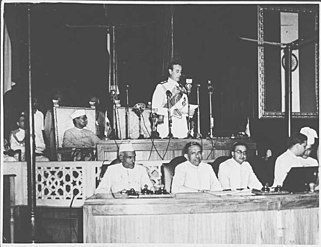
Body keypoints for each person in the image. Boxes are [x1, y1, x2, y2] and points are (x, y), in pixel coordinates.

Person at [151, 60, 189, 138]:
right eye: (177, 71)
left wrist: (189, 112)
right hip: (167, 128)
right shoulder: (161, 87)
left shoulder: (182, 88)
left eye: (180, 72)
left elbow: (184, 106)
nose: (180, 74)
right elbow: (155, 110)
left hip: (181, 128)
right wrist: (173, 111)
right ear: (170, 71)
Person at [44, 90, 64, 160]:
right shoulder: (50, 112)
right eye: (56, 98)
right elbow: (47, 128)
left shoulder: (63, 111)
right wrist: (49, 138)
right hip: (53, 134)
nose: (58, 100)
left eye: (59, 98)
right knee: (54, 153)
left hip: (62, 133)